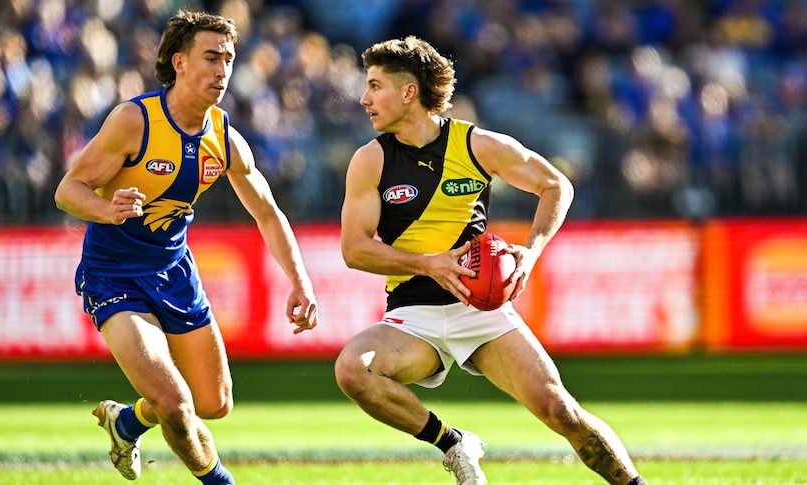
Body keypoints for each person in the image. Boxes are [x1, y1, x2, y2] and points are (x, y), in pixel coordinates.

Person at [334, 36, 647, 485]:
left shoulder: (475, 145)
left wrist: (531, 252)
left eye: (375, 86)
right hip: (413, 314)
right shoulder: (370, 160)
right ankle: (454, 443)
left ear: (408, 93)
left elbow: (556, 185)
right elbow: (354, 249)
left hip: (482, 310)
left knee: (561, 410)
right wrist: (429, 264)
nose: (364, 99)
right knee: (352, 370)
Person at [54, 10, 318, 485]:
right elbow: (68, 189)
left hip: (175, 274)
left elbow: (268, 213)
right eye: (210, 57)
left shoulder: (225, 138)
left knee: (213, 404)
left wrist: (300, 282)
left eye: (229, 60)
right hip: (114, 275)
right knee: (176, 406)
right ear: (178, 62)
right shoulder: (134, 120)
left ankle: (127, 421)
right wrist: (106, 209)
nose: (222, 70)